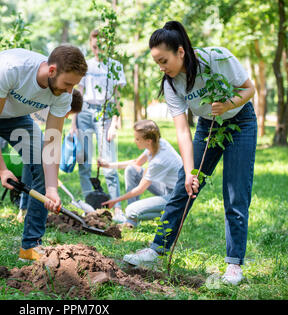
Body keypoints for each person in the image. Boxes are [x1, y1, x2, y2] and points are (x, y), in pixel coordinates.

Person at [123, 21, 257, 286]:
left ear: (180, 52)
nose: (162, 68)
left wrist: (228, 104)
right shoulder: (172, 85)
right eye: (157, 63)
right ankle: (157, 248)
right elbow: (183, 131)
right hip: (207, 127)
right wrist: (189, 172)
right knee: (183, 188)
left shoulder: (217, 59)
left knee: (235, 193)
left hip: (240, 122)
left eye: (164, 61)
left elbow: (249, 89)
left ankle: (234, 265)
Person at [0, 45, 87, 264]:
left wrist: (51, 188)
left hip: (16, 117)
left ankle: (31, 245)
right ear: (51, 71)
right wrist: (2, 168)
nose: (70, 91)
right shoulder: (12, 68)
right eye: (68, 84)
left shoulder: (63, 94)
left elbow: (52, 141)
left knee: (41, 167)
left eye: (74, 85)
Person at [0, 90, 83, 223]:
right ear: (66, 104)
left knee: (30, 162)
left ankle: (24, 208)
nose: (67, 117)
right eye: (69, 113)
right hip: (0, 118)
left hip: (22, 129)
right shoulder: (45, 100)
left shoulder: (55, 111)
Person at [70, 29, 126, 219]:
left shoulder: (115, 66)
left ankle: (117, 207)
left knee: (108, 161)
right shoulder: (86, 66)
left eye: (101, 46)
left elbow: (118, 97)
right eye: (94, 46)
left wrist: (114, 122)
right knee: (84, 160)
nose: (97, 50)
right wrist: (73, 123)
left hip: (106, 112)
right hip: (85, 111)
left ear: (108, 45)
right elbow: (78, 93)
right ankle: (89, 205)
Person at [98, 120, 182, 228]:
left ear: (148, 141)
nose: (135, 141)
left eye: (137, 139)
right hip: (166, 187)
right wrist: (108, 165)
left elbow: (140, 189)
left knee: (130, 210)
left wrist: (115, 200)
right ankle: (131, 222)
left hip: (176, 197)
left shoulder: (159, 160)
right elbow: (136, 163)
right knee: (131, 170)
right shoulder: (158, 143)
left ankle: (173, 215)